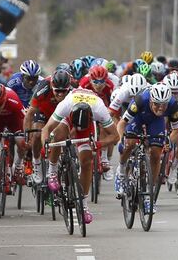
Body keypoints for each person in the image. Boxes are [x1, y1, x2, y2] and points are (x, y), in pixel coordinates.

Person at [41, 88, 119, 223]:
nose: (76, 131)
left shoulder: (100, 110)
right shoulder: (65, 106)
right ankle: (52, 172)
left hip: (87, 126)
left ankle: (83, 205)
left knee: (87, 162)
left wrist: (99, 144)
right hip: (69, 119)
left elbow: (115, 136)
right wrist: (46, 146)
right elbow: (46, 129)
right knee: (58, 137)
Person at [115, 83, 178, 213]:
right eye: (157, 104)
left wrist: (168, 141)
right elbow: (122, 123)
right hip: (138, 117)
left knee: (156, 153)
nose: (160, 109)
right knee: (130, 143)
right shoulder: (140, 100)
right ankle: (121, 171)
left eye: (164, 105)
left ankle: (149, 195)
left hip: (156, 122)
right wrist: (122, 138)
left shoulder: (173, 105)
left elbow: (176, 130)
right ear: (151, 100)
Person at [23, 69, 72, 183]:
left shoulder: (73, 89)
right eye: (57, 91)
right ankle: (37, 163)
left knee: (64, 136)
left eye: (63, 91)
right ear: (51, 86)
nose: (60, 94)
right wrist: (27, 136)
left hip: (61, 114)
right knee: (37, 135)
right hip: (44, 113)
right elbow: (30, 114)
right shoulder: (43, 87)